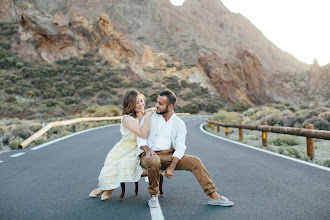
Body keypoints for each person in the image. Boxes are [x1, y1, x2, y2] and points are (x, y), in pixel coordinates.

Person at [137, 89, 234, 208]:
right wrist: (147, 150)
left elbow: (180, 147)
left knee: (195, 161)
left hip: (168, 155)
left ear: (170, 106)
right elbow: (140, 138)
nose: (156, 106)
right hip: (148, 155)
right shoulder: (150, 116)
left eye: (160, 104)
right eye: (157, 102)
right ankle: (154, 196)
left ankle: (213, 196)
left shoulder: (179, 123)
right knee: (154, 160)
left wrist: (172, 167)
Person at [89, 89, 156, 200]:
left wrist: (151, 113)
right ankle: (105, 188)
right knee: (112, 164)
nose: (141, 104)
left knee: (124, 164)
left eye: (141, 101)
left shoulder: (146, 114)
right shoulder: (127, 119)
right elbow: (142, 134)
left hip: (140, 147)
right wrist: (148, 116)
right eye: (137, 102)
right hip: (124, 147)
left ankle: (105, 189)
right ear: (130, 105)